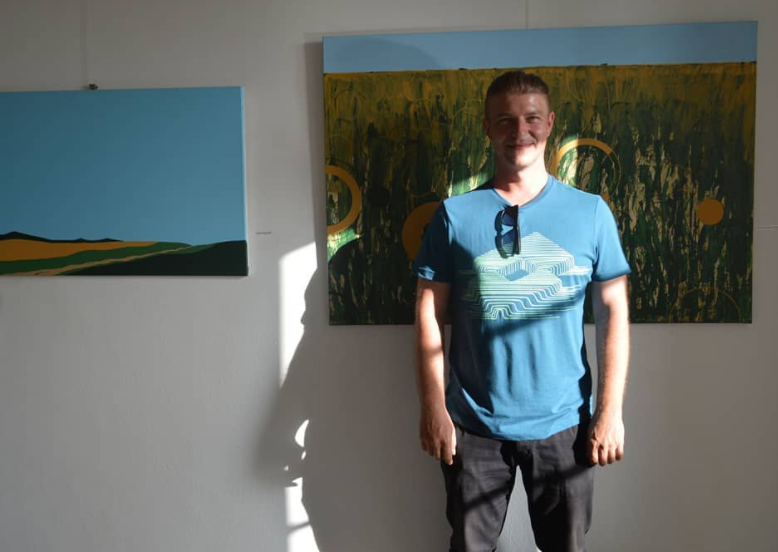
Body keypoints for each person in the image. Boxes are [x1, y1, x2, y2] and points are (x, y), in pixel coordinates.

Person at [413, 70, 631, 552]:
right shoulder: (453, 216)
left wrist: (610, 411)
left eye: (532, 118)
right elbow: (429, 314)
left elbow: (613, 314)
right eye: (505, 120)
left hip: (564, 423)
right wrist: (432, 406)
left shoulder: (591, 213)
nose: (520, 131)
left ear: (549, 123)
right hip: (472, 425)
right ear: (487, 127)